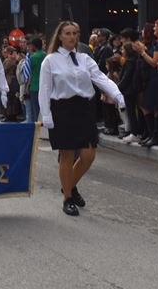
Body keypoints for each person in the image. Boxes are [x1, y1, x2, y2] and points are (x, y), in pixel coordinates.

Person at [39, 21, 125, 216]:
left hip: (84, 108)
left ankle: (69, 185)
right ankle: (68, 198)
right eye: (68, 33)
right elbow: (44, 89)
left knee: (88, 155)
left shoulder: (85, 59)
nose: (72, 37)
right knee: (67, 155)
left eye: (75, 33)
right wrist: (46, 115)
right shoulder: (50, 61)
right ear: (60, 37)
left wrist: (117, 94)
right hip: (62, 108)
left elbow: (100, 78)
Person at [134, 18, 158, 147]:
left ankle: (155, 136)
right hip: (152, 78)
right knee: (147, 106)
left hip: (157, 78)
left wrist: (142, 52)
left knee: (155, 107)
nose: (154, 28)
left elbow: (154, 63)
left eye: (156, 26)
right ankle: (152, 134)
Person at [25, 38, 45, 122]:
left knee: (36, 111)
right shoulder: (46, 55)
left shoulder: (32, 57)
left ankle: (37, 128)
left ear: (33, 46)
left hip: (34, 86)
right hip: (44, 86)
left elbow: (29, 73)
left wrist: (26, 88)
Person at [2, 46, 23, 122]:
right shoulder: (11, 61)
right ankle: (9, 115)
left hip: (11, 81)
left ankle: (10, 115)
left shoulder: (10, 61)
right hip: (11, 81)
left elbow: (4, 70)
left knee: (12, 99)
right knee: (11, 99)